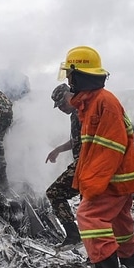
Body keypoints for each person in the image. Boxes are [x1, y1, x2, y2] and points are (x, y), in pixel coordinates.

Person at [58, 46, 134, 268]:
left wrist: (92, 186)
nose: (67, 79)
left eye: (70, 74)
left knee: (90, 216)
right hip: (119, 179)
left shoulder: (102, 103)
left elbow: (109, 148)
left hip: (111, 180)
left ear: (80, 74)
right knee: (120, 225)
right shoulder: (93, 101)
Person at [44, 83, 81, 248]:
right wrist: (58, 149)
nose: (61, 108)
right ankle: (95, 252)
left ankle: (73, 236)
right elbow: (76, 140)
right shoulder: (75, 114)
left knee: (54, 192)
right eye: (58, 106)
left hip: (86, 164)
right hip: (84, 164)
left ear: (70, 95)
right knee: (89, 208)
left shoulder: (83, 111)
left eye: (62, 103)